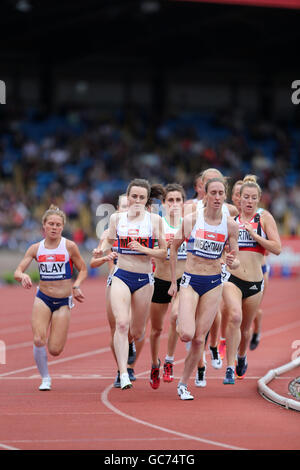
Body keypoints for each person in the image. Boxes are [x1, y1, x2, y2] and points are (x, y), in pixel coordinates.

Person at [168, 177, 239, 400]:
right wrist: (173, 282)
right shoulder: (191, 220)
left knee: (199, 340)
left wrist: (231, 261)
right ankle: (182, 318)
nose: (217, 197)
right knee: (187, 334)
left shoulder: (230, 225)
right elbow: (173, 247)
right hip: (190, 281)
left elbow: (235, 259)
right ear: (205, 195)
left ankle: (183, 384)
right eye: (213, 193)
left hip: (213, 284)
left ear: (225, 196)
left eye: (221, 193)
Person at [96, 179, 167, 390]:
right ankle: (123, 373)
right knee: (121, 323)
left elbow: (163, 253)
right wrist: (102, 249)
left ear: (147, 201)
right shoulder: (117, 218)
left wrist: (145, 249)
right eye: (133, 196)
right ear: (128, 197)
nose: (136, 200)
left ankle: (130, 344)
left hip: (144, 279)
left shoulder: (154, 221)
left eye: (141, 197)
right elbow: (109, 239)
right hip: (121, 275)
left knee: (136, 331)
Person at [14, 205, 87, 391]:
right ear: (44, 226)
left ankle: (52, 351)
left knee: (55, 349)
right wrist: (23, 276)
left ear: (62, 227)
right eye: (51, 224)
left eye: (58, 225)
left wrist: (76, 285)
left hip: (63, 302)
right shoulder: (36, 248)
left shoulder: (69, 246)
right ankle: (45, 378)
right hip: (43, 298)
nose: (54, 227)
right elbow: (18, 270)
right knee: (39, 339)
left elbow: (83, 269)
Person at [222, 175, 281, 385]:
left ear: (258, 199)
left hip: (255, 283)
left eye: (253, 198)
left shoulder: (264, 218)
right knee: (234, 317)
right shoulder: (230, 222)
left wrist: (255, 236)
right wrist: (225, 258)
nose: (248, 201)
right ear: (238, 199)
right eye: (245, 197)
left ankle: (241, 356)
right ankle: (229, 368)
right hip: (232, 279)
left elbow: (277, 248)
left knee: (245, 330)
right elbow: (220, 250)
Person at [188, 168, 239, 386]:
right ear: (201, 186)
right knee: (194, 328)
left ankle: (214, 346)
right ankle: (200, 367)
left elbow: (232, 244)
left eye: (219, 186)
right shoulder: (190, 209)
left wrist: (228, 258)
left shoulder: (230, 211)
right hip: (194, 270)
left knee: (215, 314)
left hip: (218, 270)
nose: (214, 191)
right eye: (208, 183)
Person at [90, 194, 138, 387]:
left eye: (130, 206)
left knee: (133, 329)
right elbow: (93, 262)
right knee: (117, 328)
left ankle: (131, 342)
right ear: (117, 209)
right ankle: (121, 369)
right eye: (124, 206)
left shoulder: (142, 230)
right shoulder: (108, 233)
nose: (127, 209)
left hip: (137, 281)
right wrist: (103, 257)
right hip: (115, 282)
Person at [149, 183, 187, 389]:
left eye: (178, 200)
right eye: (170, 200)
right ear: (163, 204)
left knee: (175, 317)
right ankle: (155, 363)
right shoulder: (157, 225)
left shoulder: (188, 224)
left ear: (183, 203)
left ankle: (170, 361)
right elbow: (150, 250)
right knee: (155, 329)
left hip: (183, 280)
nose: (174, 204)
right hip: (160, 279)